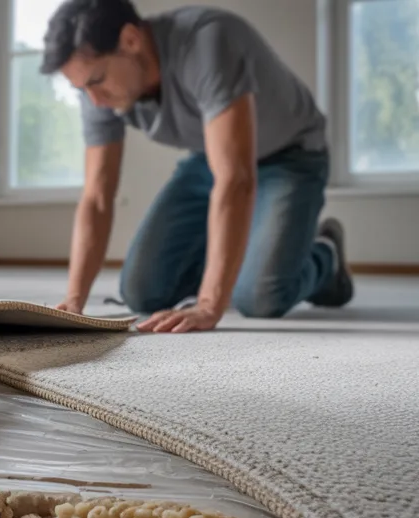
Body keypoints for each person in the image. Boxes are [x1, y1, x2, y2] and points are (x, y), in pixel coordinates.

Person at [41, 0, 352, 332]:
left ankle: (325, 254)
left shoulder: (207, 41)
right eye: (81, 88)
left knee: (260, 297)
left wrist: (209, 304)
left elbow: (236, 179)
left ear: (130, 40)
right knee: (143, 292)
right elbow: (97, 198)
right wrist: (74, 301)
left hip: (290, 156)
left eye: (97, 81)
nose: (95, 102)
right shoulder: (97, 89)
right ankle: (245, 258)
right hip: (210, 158)